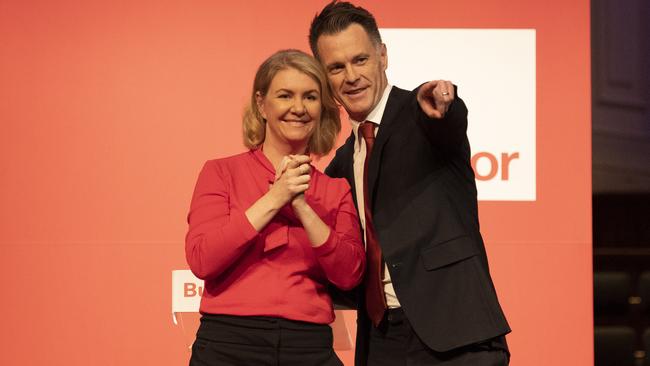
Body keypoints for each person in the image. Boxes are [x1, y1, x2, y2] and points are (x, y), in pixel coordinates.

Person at [308, 2, 511, 365]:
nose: (351, 76)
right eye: (336, 67)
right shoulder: (341, 163)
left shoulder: (422, 114)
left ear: (382, 56)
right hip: (381, 339)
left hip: (456, 335)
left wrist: (444, 106)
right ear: (324, 77)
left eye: (360, 60)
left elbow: (447, 121)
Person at [184, 49, 365, 366]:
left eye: (310, 97)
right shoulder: (221, 172)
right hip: (228, 345)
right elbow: (203, 259)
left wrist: (303, 208)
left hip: (308, 346)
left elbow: (349, 274)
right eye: (285, 95)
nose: (298, 108)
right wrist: (274, 198)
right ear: (261, 104)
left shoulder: (335, 189)